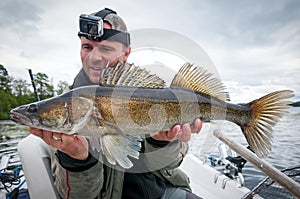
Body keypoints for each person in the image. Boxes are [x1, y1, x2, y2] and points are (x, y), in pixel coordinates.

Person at [29, 8, 203, 199]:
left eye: (105, 48)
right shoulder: (68, 110)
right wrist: (78, 159)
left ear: (126, 53)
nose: (94, 57)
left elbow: (169, 167)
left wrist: (161, 142)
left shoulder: (151, 94)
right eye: (87, 47)